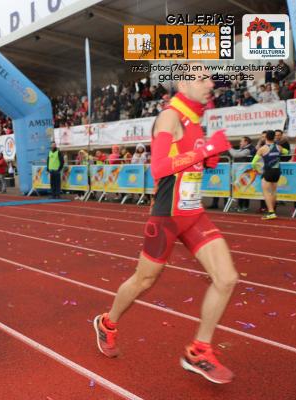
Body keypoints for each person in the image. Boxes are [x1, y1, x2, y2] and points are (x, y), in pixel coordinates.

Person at [93, 64, 238, 384]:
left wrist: (206, 157)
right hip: (166, 217)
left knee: (226, 278)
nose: (209, 83)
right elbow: (158, 168)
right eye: (201, 78)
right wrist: (204, 150)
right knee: (143, 281)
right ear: (182, 84)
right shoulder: (171, 116)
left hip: (193, 213)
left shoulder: (198, 118)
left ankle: (199, 350)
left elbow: (191, 163)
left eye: (209, 77)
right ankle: (107, 322)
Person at [252, 130, 289, 220]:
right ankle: (272, 211)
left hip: (268, 171)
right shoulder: (279, 147)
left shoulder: (263, 148)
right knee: (273, 192)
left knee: (266, 191)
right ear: (274, 137)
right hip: (277, 171)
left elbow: (253, 162)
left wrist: (256, 169)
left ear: (266, 138)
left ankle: (271, 212)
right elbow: (287, 152)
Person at [228, 136, 256, 212]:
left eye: (241, 141)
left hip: (247, 172)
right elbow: (237, 152)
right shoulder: (246, 148)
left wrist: (228, 147)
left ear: (246, 142)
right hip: (245, 171)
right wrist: (230, 147)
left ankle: (242, 207)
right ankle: (242, 206)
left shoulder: (248, 149)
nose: (240, 143)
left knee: (242, 188)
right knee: (243, 188)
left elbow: (236, 155)